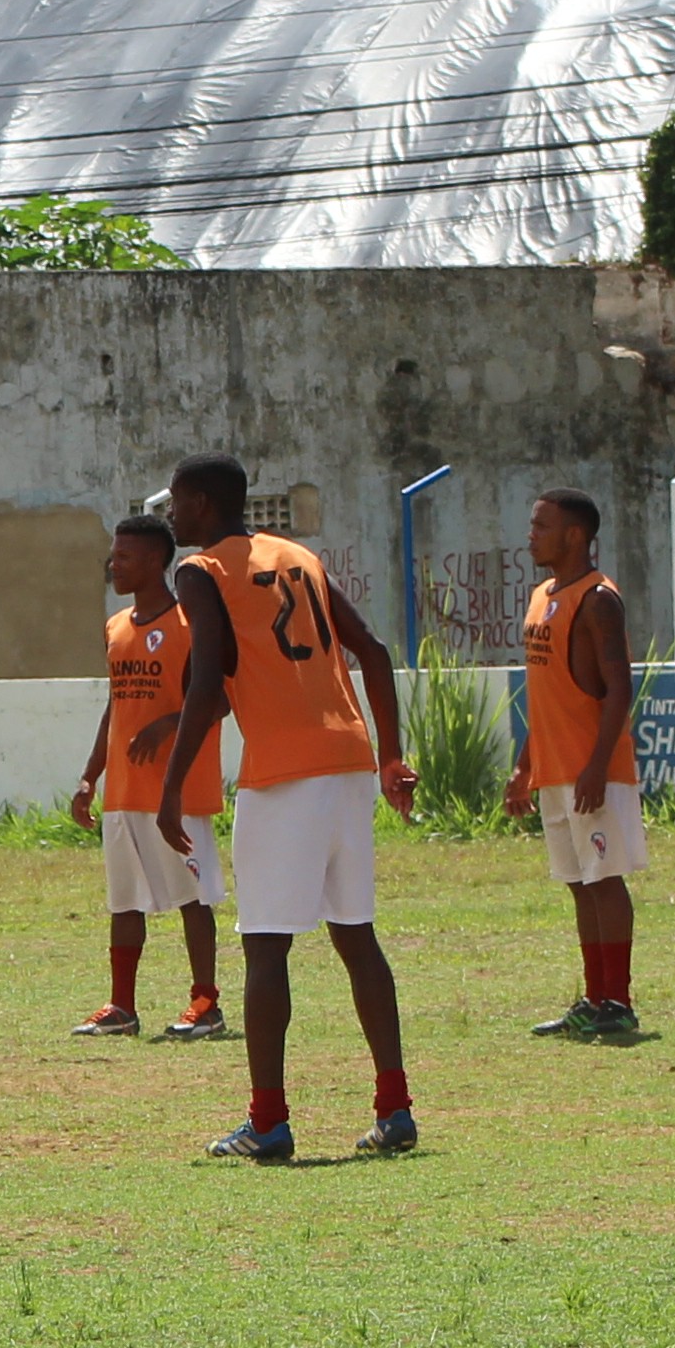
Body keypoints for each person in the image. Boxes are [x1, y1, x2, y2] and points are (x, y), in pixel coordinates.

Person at [148, 455, 415, 1162]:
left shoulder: (201, 572)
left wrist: (171, 789)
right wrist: (391, 755)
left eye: (176, 501)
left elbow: (207, 683)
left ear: (203, 504)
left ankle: (268, 1123)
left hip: (285, 773)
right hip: (349, 760)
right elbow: (376, 652)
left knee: (265, 946)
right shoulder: (298, 555)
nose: (170, 514)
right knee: (357, 938)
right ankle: (395, 1109)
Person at [69, 513, 225, 1037]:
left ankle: (206, 1003)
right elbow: (114, 706)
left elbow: (221, 699)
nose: (115, 564)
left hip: (177, 793)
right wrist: (91, 775)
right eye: (114, 555)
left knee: (192, 898)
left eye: (126, 556)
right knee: (123, 900)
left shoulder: (189, 624)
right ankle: (122, 1007)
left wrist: (169, 723)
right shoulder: (115, 627)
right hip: (124, 793)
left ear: (157, 561)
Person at [503, 490, 643, 1042]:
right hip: (555, 770)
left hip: (594, 771)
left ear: (575, 536)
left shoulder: (599, 599)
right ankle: (593, 997)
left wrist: (598, 765)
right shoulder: (542, 595)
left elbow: (617, 689)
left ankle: (620, 1001)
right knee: (579, 883)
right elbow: (550, 693)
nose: (530, 534)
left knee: (604, 879)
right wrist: (524, 766)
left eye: (542, 525)